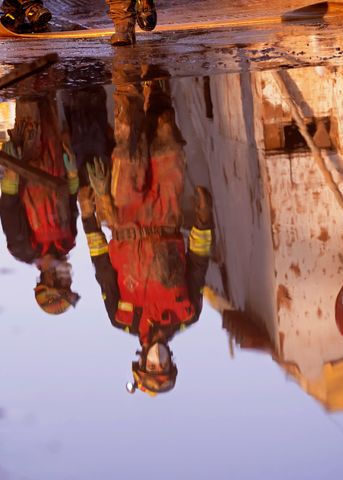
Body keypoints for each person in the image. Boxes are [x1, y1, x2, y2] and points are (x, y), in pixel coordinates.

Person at [78, 66, 213, 394]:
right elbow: (197, 263)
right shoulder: (187, 313)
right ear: (171, 362)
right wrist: (204, 221)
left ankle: (126, 69)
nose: (159, 360)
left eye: (152, 366)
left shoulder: (122, 318)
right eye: (164, 366)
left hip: (125, 217)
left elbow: (102, 268)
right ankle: (156, 84)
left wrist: (89, 218)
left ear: (140, 362)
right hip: (166, 216)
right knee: (167, 139)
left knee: (129, 147)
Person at [0, 89, 81, 316]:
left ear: (46, 280)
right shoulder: (69, 241)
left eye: (62, 283)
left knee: (29, 101)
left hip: (27, 163)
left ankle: (23, 58)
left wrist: (11, 174)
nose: (67, 278)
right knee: (48, 100)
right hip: (55, 162)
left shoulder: (22, 249)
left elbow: (7, 207)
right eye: (68, 283)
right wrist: (73, 173)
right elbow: (72, 201)